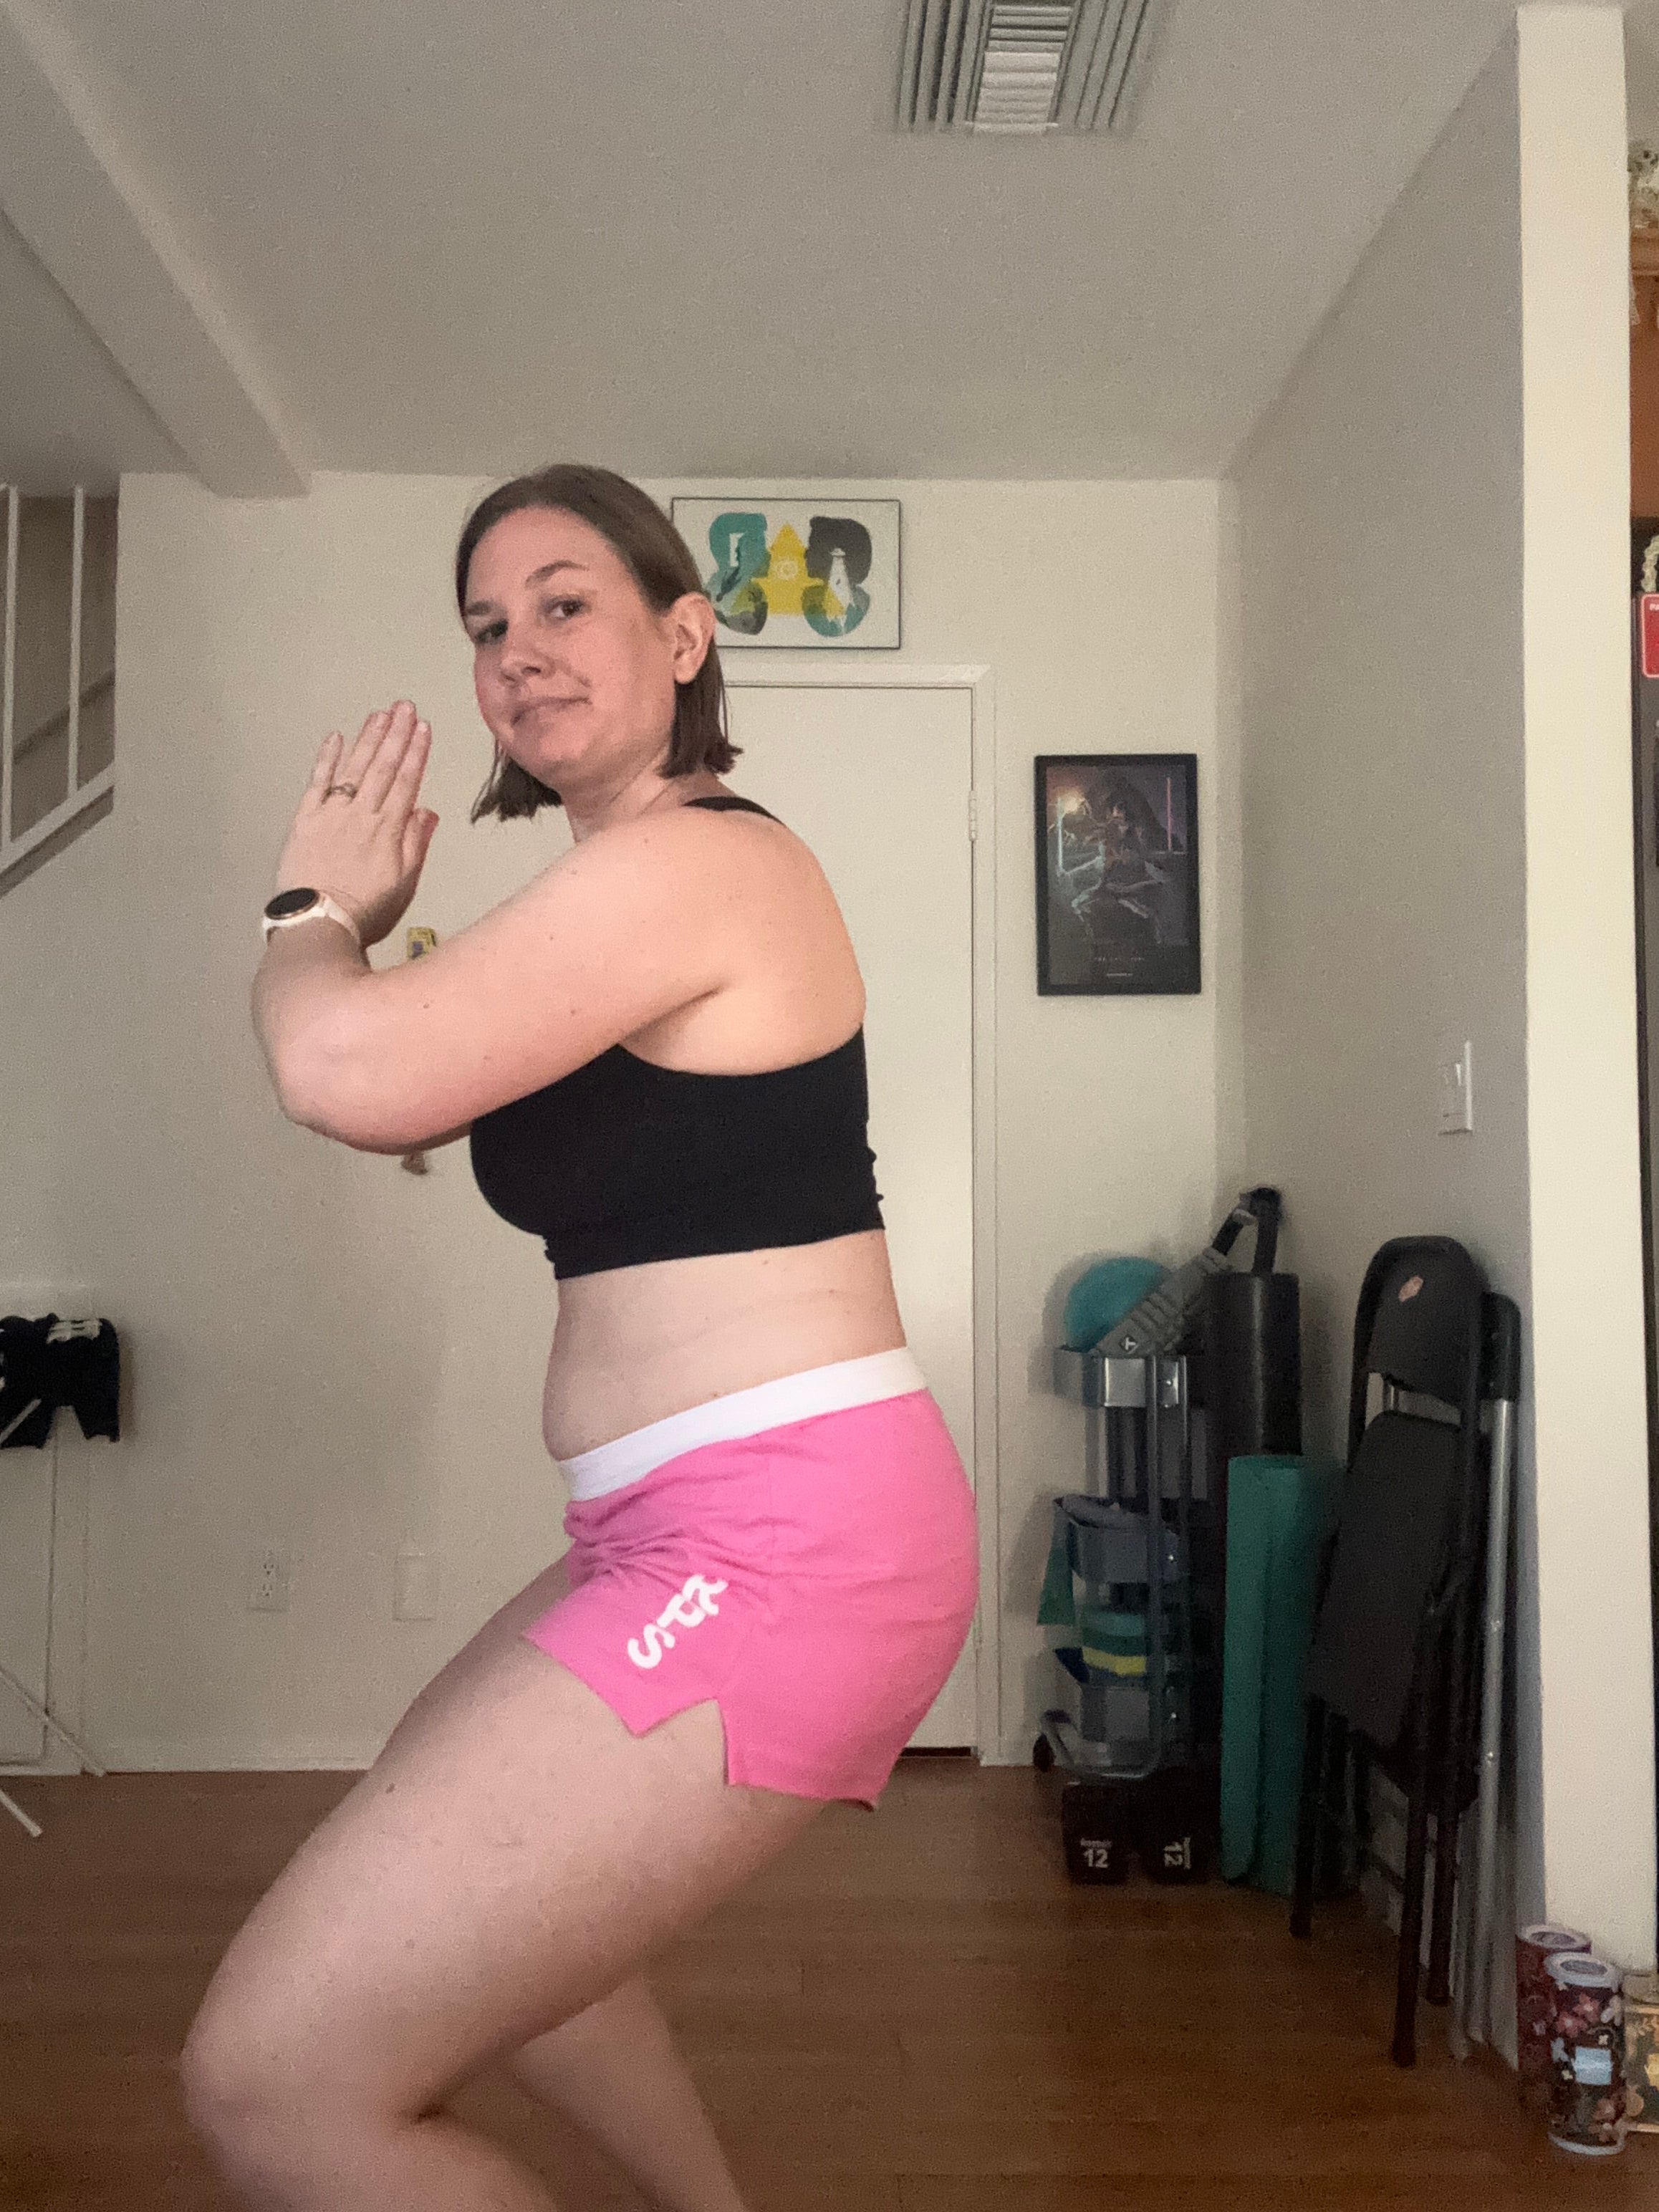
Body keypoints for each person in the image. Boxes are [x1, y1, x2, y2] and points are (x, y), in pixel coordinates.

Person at [179, 464, 981, 2211]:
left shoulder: (703, 860)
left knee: (271, 2081)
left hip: (785, 1540)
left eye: (563, 603)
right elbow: (422, 1092)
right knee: (513, 1922)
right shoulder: (618, 892)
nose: (517, 651)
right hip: (672, 1523)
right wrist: (384, 1001)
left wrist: (310, 910)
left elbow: (337, 1065)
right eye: (487, 626)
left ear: (682, 635)